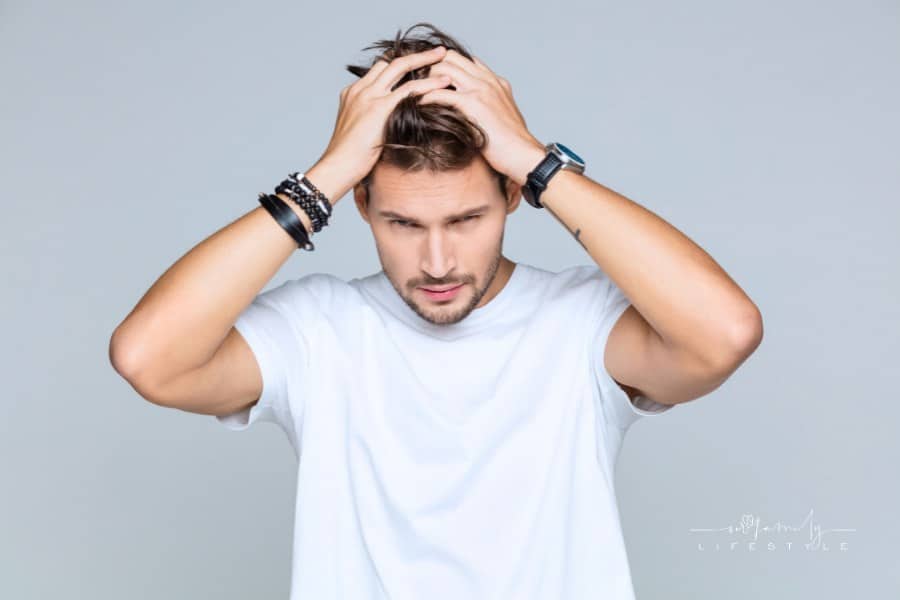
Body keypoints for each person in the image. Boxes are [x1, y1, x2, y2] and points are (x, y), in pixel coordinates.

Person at [109, 22, 762, 600]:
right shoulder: (318, 331)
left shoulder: (581, 324)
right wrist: (324, 177)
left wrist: (537, 161)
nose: (440, 260)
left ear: (512, 195)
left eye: (466, 218)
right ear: (359, 205)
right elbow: (149, 360)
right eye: (403, 222)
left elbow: (724, 334)